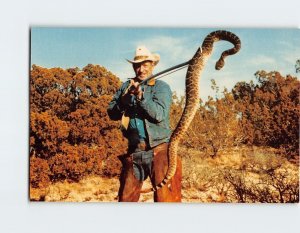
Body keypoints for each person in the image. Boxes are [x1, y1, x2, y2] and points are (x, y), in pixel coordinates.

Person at [107, 46, 182, 202]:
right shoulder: (125, 87)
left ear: (153, 65)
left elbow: (159, 115)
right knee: (125, 199)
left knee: (166, 199)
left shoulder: (161, 87)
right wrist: (124, 101)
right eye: (137, 65)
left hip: (160, 149)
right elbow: (112, 113)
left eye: (145, 65)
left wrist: (141, 98)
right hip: (135, 151)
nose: (141, 70)